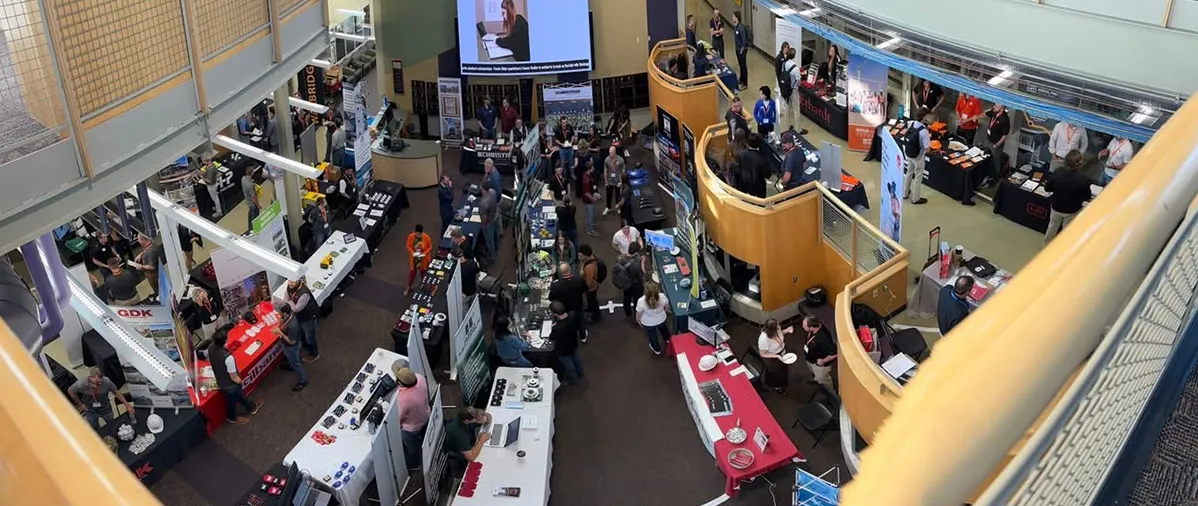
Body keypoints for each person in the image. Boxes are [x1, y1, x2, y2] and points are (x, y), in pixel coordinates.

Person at [209, 325, 264, 424]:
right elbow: (234, 377)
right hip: (229, 384)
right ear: (225, 341)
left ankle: (251, 407)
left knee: (239, 395)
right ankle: (232, 417)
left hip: (219, 378)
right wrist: (240, 381)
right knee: (232, 400)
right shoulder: (228, 358)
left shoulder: (211, 347)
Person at [1044, 150, 1092, 244]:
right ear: (1080, 163)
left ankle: (1045, 247)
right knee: (1067, 231)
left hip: (1056, 207)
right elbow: (1087, 197)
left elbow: (1047, 188)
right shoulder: (1084, 179)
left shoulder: (1057, 172)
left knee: (1052, 227)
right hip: (1072, 210)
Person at [68, 366, 133, 435]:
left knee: (112, 425)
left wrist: (127, 404)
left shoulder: (106, 381)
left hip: (106, 409)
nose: (98, 384)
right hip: (90, 411)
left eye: (100, 382)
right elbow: (70, 391)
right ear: (90, 377)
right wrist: (80, 404)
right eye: (96, 382)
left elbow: (116, 392)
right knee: (95, 429)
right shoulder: (80, 384)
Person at [394, 367, 431, 470]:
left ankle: (414, 464)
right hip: (426, 414)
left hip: (412, 428)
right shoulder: (420, 378)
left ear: (400, 383)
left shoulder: (403, 399)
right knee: (425, 436)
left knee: (411, 447)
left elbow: (398, 417)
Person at [443, 406, 492, 477]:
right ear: (468, 420)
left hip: (470, 443)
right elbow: (471, 457)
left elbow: (482, 415)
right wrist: (481, 441)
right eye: (476, 419)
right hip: (460, 460)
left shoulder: (464, 416)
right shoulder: (459, 433)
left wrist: (486, 417)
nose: (479, 420)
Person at [549, 263, 588, 343]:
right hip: (577, 305)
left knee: (565, 323)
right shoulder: (579, 279)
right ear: (570, 269)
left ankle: (569, 337)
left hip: (565, 307)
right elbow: (585, 289)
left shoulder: (555, 285)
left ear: (560, 272)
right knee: (580, 321)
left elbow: (551, 298)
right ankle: (583, 337)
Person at [902, 109, 934, 205]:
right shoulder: (923, 131)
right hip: (918, 157)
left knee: (909, 172)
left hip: (909, 153)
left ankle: (905, 193)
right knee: (918, 176)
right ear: (924, 117)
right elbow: (927, 149)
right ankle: (915, 199)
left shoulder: (911, 123)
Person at [274, 305, 309, 391]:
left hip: (292, 347)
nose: (278, 314)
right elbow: (282, 322)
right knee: (290, 358)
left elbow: (291, 342)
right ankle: (290, 365)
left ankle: (303, 381)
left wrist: (280, 333)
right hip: (288, 345)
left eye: (280, 313)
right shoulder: (288, 316)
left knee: (296, 364)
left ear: (285, 313)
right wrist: (279, 325)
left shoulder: (292, 326)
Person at [547, 301, 583, 384]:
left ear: (555, 314)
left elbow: (552, 337)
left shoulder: (557, 328)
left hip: (563, 349)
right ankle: (580, 372)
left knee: (569, 365)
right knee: (576, 358)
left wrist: (554, 327)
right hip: (573, 343)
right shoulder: (573, 317)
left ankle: (574, 380)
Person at [285, 280, 320, 362]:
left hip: (308, 318)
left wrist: (289, 301)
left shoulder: (304, 293)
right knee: (301, 333)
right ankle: (306, 347)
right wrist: (289, 301)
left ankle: (314, 354)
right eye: (289, 281)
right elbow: (285, 297)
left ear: (298, 281)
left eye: (293, 282)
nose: (290, 284)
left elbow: (296, 309)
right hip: (299, 317)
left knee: (310, 338)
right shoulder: (289, 287)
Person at [757, 318, 793, 394]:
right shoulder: (763, 339)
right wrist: (776, 356)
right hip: (772, 356)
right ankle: (777, 387)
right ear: (771, 330)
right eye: (777, 326)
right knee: (776, 373)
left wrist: (787, 330)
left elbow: (780, 334)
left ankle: (783, 382)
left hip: (781, 352)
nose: (779, 326)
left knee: (783, 369)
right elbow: (763, 354)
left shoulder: (778, 329)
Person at [800, 316, 837, 388]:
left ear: (811, 327)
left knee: (824, 381)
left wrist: (823, 361)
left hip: (819, 366)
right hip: (810, 359)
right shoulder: (815, 328)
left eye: (804, 326)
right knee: (817, 375)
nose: (802, 327)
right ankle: (817, 379)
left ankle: (830, 394)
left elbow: (835, 353)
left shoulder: (823, 339)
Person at [636, 281, 671, 355]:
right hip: (662, 319)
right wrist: (665, 311)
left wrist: (638, 320)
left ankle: (657, 349)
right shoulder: (662, 296)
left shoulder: (641, 301)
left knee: (652, 335)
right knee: (663, 329)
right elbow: (667, 307)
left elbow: (638, 314)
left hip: (648, 323)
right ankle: (668, 339)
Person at [981, 103, 1011, 185]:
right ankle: (985, 174)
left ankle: (994, 178)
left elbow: (1005, 135)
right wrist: (976, 117)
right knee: (985, 156)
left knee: (995, 161)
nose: (994, 107)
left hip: (996, 144)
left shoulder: (1005, 119)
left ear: (1002, 108)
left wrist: (997, 145)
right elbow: (985, 113)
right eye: (995, 105)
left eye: (997, 106)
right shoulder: (994, 112)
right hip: (988, 139)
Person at [733, 133, 770, 198]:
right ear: (760, 144)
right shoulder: (762, 159)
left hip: (743, 185)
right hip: (758, 189)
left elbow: (739, 168)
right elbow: (767, 175)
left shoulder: (742, 155)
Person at [615, 242, 646, 318]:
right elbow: (642, 274)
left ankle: (627, 312)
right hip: (635, 284)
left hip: (626, 282)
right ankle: (636, 314)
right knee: (637, 300)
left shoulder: (622, 258)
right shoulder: (635, 264)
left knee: (626, 297)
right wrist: (642, 263)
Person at [405, 224, 433, 295]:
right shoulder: (411, 236)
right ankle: (409, 287)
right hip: (414, 259)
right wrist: (412, 252)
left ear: (422, 232)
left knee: (423, 273)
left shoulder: (427, 237)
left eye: (419, 234)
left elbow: (430, 247)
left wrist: (424, 253)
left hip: (423, 259)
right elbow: (408, 246)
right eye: (417, 234)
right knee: (412, 273)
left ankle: (424, 286)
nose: (418, 235)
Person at [579, 244, 602, 323]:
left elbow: (588, 281)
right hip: (592, 284)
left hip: (591, 287)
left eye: (581, 255)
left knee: (593, 300)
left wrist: (585, 289)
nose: (579, 257)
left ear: (586, 255)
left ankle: (596, 316)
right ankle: (590, 308)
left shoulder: (589, 267)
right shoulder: (589, 260)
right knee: (590, 300)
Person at [479, 179, 499, 264]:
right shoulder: (493, 191)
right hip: (495, 216)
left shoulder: (483, 203)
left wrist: (483, 226)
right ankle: (496, 246)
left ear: (482, 188)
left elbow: (484, 219)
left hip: (489, 223)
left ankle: (491, 257)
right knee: (495, 234)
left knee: (489, 240)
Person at [199, 152, 224, 219]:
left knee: (215, 198)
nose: (202, 162)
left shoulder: (210, 169)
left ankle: (219, 211)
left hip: (211, 185)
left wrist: (202, 177)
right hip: (214, 183)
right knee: (215, 198)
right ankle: (217, 207)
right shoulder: (212, 165)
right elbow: (218, 174)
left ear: (206, 161)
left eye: (202, 160)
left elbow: (209, 181)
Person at [603, 146, 624, 216]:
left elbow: (623, 171)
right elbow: (605, 170)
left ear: (615, 152)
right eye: (609, 153)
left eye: (611, 153)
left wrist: (621, 182)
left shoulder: (620, 160)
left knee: (618, 195)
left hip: (617, 181)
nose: (610, 154)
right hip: (609, 180)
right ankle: (608, 207)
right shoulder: (607, 159)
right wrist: (606, 181)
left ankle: (618, 207)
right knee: (608, 195)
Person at [580, 161, 599, 236]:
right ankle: (590, 230)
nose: (593, 168)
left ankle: (590, 226)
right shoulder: (586, 180)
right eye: (592, 167)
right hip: (588, 200)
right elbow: (587, 193)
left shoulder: (586, 175)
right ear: (589, 169)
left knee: (590, 214)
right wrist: (593, 199)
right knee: (590, 215)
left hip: (589, 197)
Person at [732, 11, 748, 90]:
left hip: (742, 50)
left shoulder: (741, 27)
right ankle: (741, 79)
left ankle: (745, 83)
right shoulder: (735, 26)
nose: (732, 18)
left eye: (733, 16)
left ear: (737, 17)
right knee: (740, 65)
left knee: (743, 66)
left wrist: (742, 49)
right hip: (737, 49)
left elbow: (744, 39)